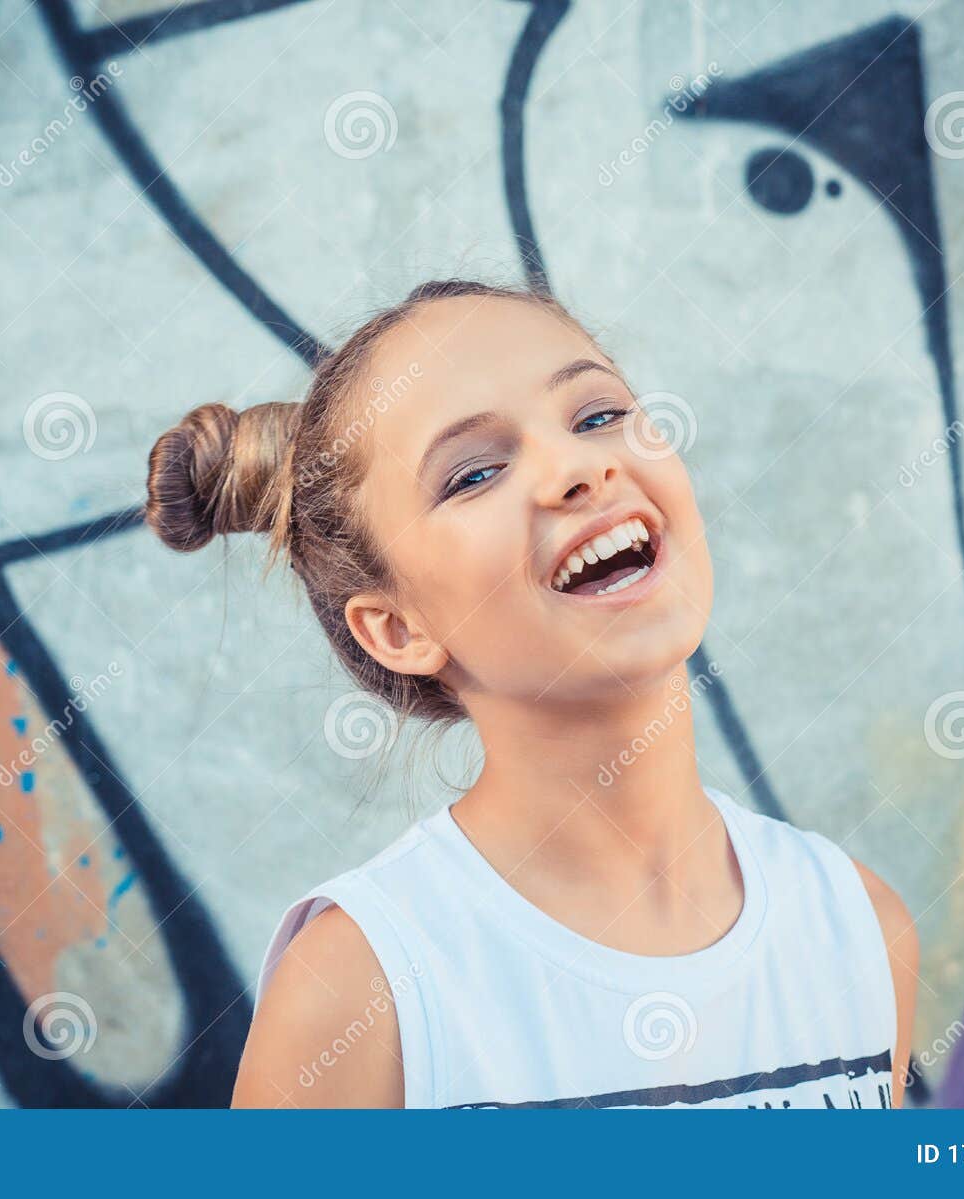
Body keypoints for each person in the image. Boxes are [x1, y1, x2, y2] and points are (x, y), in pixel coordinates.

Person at [144, 279, 918, 1109]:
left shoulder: (860, 928)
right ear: (396, 628)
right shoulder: (359, 993)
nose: (579, 467)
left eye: (596, 415)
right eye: (474, 474)